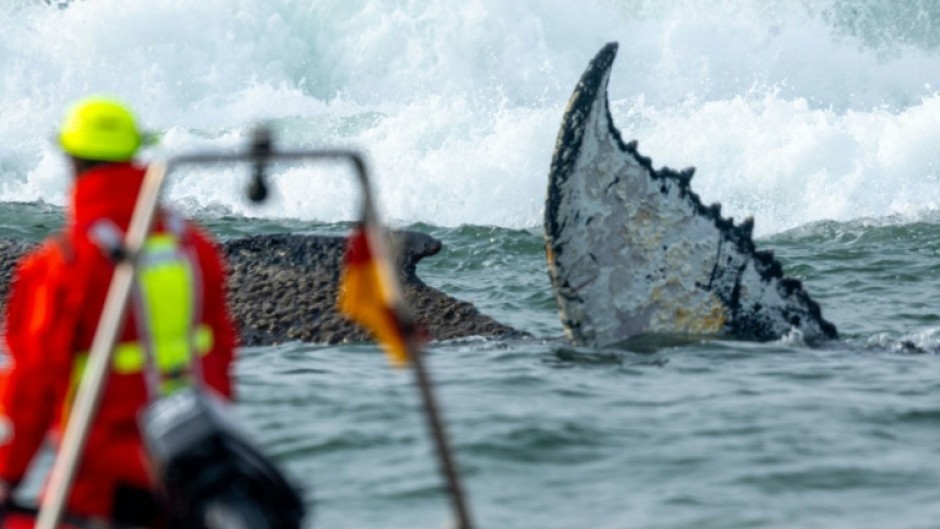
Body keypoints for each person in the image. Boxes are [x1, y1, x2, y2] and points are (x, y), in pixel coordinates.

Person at [0, 97, 237, 527]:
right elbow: (220, 354)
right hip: (192, 470)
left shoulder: (63, 264)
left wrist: (6, 476)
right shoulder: (193, 249)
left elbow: (30, 387)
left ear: (72, 163)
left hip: (99, 482)